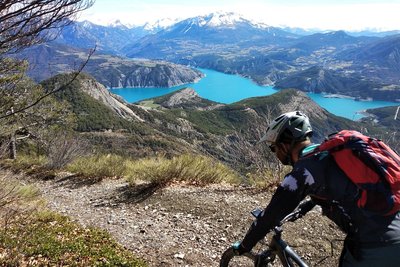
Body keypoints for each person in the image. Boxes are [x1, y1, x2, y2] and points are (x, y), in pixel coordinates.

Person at [231, 110, 400, 266]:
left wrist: (245, 246)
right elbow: (337, 187)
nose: (275, 153)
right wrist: (307, 205)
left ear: (284, 144)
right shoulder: (329, 154)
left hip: (377, 241)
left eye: (273, 148)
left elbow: (269, 217)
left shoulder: (302, 173)